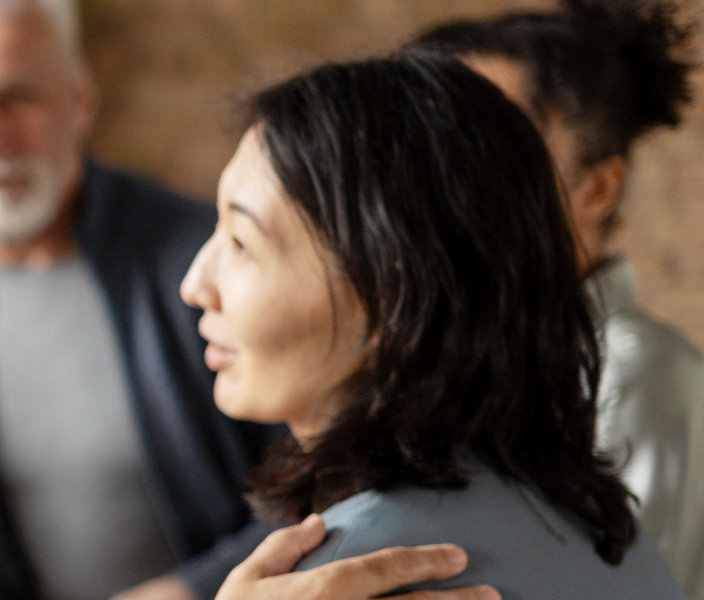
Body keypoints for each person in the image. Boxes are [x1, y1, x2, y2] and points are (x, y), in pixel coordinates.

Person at [181, 52, 685, 597]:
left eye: (240, 243)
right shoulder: (611, 533)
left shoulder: (341, 577)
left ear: (390, 296)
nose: (195, 284)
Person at [0, 0, 285, 598]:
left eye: (16, 97)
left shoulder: (201, 258)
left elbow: (319, 486)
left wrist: (190, 592)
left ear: (79, 97)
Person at [407, 2, 704, 594]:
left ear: (597, 186)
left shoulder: (637, 373)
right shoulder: (441, 361)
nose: (445, 182)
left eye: (494, 149)